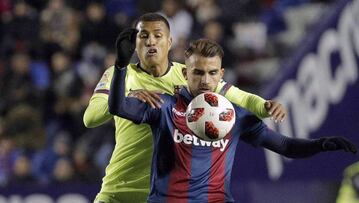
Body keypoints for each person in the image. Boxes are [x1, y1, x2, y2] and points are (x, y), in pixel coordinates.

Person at [108, 38, 357, 202]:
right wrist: (120, 67)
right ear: (185, 73)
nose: (205, 80)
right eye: (198, 72)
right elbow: (118, 106)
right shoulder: (163, 105)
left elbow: (285, 146)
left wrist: (322, 144)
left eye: (212, 73)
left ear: (221, 74)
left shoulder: (235, 116)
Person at [84, 13, 286, 202]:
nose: (150, 41)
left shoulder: (190, 75)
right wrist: (127, 95)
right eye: (143, 35)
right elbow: (90, 118)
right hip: (118, 191)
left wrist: (265, 105)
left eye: (158, 35)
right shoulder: (117, 75)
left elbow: (242, 98)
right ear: (135, 44)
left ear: (169, 42)